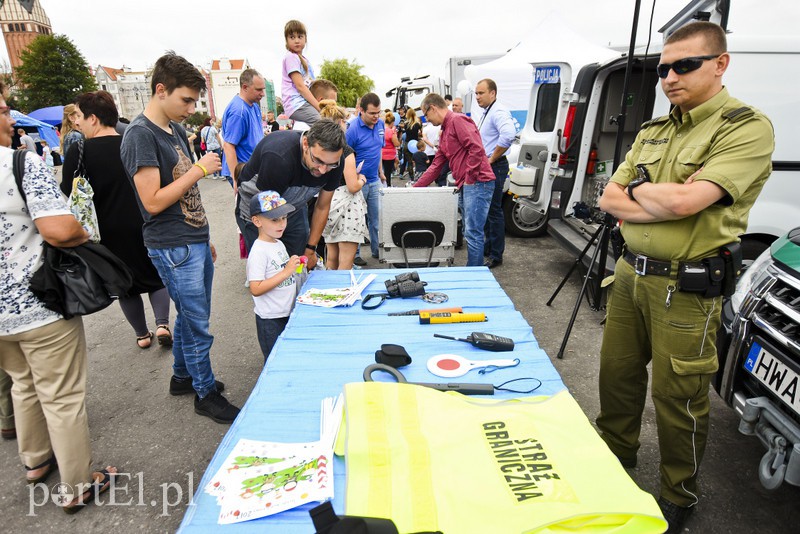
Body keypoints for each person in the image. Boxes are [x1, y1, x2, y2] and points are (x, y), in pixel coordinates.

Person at [595, 22, 774, 534]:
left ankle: (678, 492)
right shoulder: (656, 129)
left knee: (679, 396)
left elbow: (688, 201)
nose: (669, 77)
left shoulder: (743, 127)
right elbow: (610, 198)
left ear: (720, 63)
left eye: (684, 65)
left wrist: (650, 195)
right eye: (663, 69)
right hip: (630, 275)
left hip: (686, 286)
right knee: (618, 378)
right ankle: (613, 458)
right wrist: (663, 197)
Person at [0, 81, 118, 512]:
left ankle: (34, 460)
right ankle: (77, 483)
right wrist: (83, 231)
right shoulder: (20, 163)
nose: (11, 118)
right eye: (2, 109)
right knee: (62, 394)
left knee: (22, 382)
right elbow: (59, 228)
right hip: (38, 302)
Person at [121, 52, 239, 425]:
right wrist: (202, 169)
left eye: (194, 100)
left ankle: (182, 377)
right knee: (197, 322)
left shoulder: (171, 130)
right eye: (186, 99)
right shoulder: (140, 134)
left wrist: (203, 234)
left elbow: (186, 195)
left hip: (190, 239)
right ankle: (204, 393)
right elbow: (152, 201)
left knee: (191, 317)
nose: (191, 108)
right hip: (171, 244)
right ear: (161, 90)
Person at [61, 90, 172, 350]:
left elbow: (69, 190)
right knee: (156, 276)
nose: (77, 123)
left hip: (108, 229)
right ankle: (163, 324)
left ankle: (143, 334)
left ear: (94, 119)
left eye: (81, 117)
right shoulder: (132, 142)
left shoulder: (81, 151)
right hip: (144, 221)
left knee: (126, 285)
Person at [236, 118, 346, 270]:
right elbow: (268, 211)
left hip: (293, 206)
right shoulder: (279, 156)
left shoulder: (336, 161)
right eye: (318, 161)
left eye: (330, 165)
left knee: (299, 263)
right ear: (306, 144)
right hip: (260, 209)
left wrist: (310, 248)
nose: (323, 170)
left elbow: (322, 206)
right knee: (271, 266)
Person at [414, 93, 495, 267]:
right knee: (469, 231)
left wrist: (469, 179)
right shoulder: (445, 131)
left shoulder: (458, 121)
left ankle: (474, 275)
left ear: (433, 108)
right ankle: (474, 271)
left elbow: (476, 148)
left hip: (478, 183)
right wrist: (415, 187)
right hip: (470, 184)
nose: (427, 119)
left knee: (473, 232)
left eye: (426, 115)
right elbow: (436, 166)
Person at [247, 191, 301, 362]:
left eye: (284, 218)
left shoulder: (278, 243)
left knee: (287, 357)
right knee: (274, 361)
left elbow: (282, 271)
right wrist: (286, 272)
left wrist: (295, 266)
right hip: (270, 319)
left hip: (287, 311)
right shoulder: (259, 251)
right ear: (257, 221)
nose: (282, 224)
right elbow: (255, 288)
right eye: (274, 220)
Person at [319, 100, 368, 270]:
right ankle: (342, 294)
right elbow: (352, 186)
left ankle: (329, 291)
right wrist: (362, 179)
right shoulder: (345, 151)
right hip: (347, 208)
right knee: (346, 262)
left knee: (332, 258)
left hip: (329, 203)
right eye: (345, 121)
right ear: (340, 122)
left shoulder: (322, 149)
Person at [474, 78, 516, 269]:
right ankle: (489, 247)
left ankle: (496, 255)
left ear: (493, 93)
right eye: (476, 93)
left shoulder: (498, 111)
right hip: (490, 165)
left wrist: (491, 159)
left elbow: (508, 135)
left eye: (481, 93)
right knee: (489, 210)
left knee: (494, 211)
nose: (477, 96)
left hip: (495, 165)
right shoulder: (488, 111)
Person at [346, 92, 386, 263]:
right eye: (372, 113)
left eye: (378, 112)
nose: (376, 116)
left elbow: (379, 150)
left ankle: (377, 251)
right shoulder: (352, 129)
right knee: (357, 220)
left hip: (375, 180)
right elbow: (345, 155)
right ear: (361, 110)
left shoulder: (381, 125)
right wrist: (353, 177)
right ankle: (354, 256)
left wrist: (381, 171)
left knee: (377, 219)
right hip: (358, 183)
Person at [220, 68, 265, 189]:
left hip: (252, 169)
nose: (263, 93)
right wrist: (236, 179)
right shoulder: (238, 112)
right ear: (245, 87)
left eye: (263, 89)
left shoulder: (254, 105)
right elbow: (229, 145)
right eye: (258, 90)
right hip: (243, 172)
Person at [282, 19, 320, 126]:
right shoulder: (291, 57)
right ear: (287, 40)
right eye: (292, 37)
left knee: (328, 121)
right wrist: (318, 107)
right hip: (295, 103)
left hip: (302, 102)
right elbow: (300, 86)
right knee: (321, 123)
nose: (297, 41)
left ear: (305, 39)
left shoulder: (303, 60)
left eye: (300, 36)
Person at [402, 107, 422, 178]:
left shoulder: (405, 124)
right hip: (415, 144)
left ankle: (411, 177)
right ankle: (418, 176)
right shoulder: (417, 125)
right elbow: (420, 133)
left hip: (407, 144)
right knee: (417, 161)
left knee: (409, 162)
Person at [381, 111, 400, 187]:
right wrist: (395, 134)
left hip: (380, 154)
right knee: (387, 173)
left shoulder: (380, 129)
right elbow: (396, 144)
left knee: (380, 172)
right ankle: (387, 186)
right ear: (392, 122)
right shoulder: (391, 132)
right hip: (389, 156)